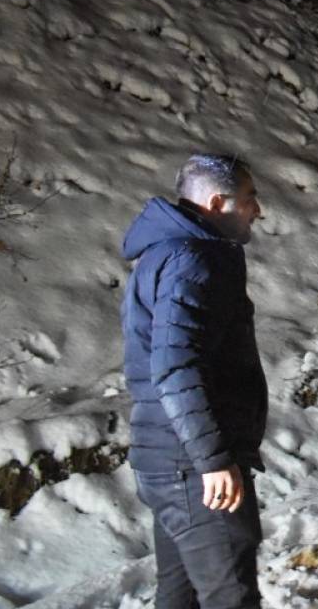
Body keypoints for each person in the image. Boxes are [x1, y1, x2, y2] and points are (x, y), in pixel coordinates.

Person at [121, 154, 267, 608]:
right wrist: (213, 459)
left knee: (179, 597)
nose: (257, 210)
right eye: (250, 198)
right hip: (192, 465)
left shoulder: (169, 253)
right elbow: (176, 365)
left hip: (170, 459)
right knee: (231, 597)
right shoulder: (194, 260)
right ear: (219, 202)